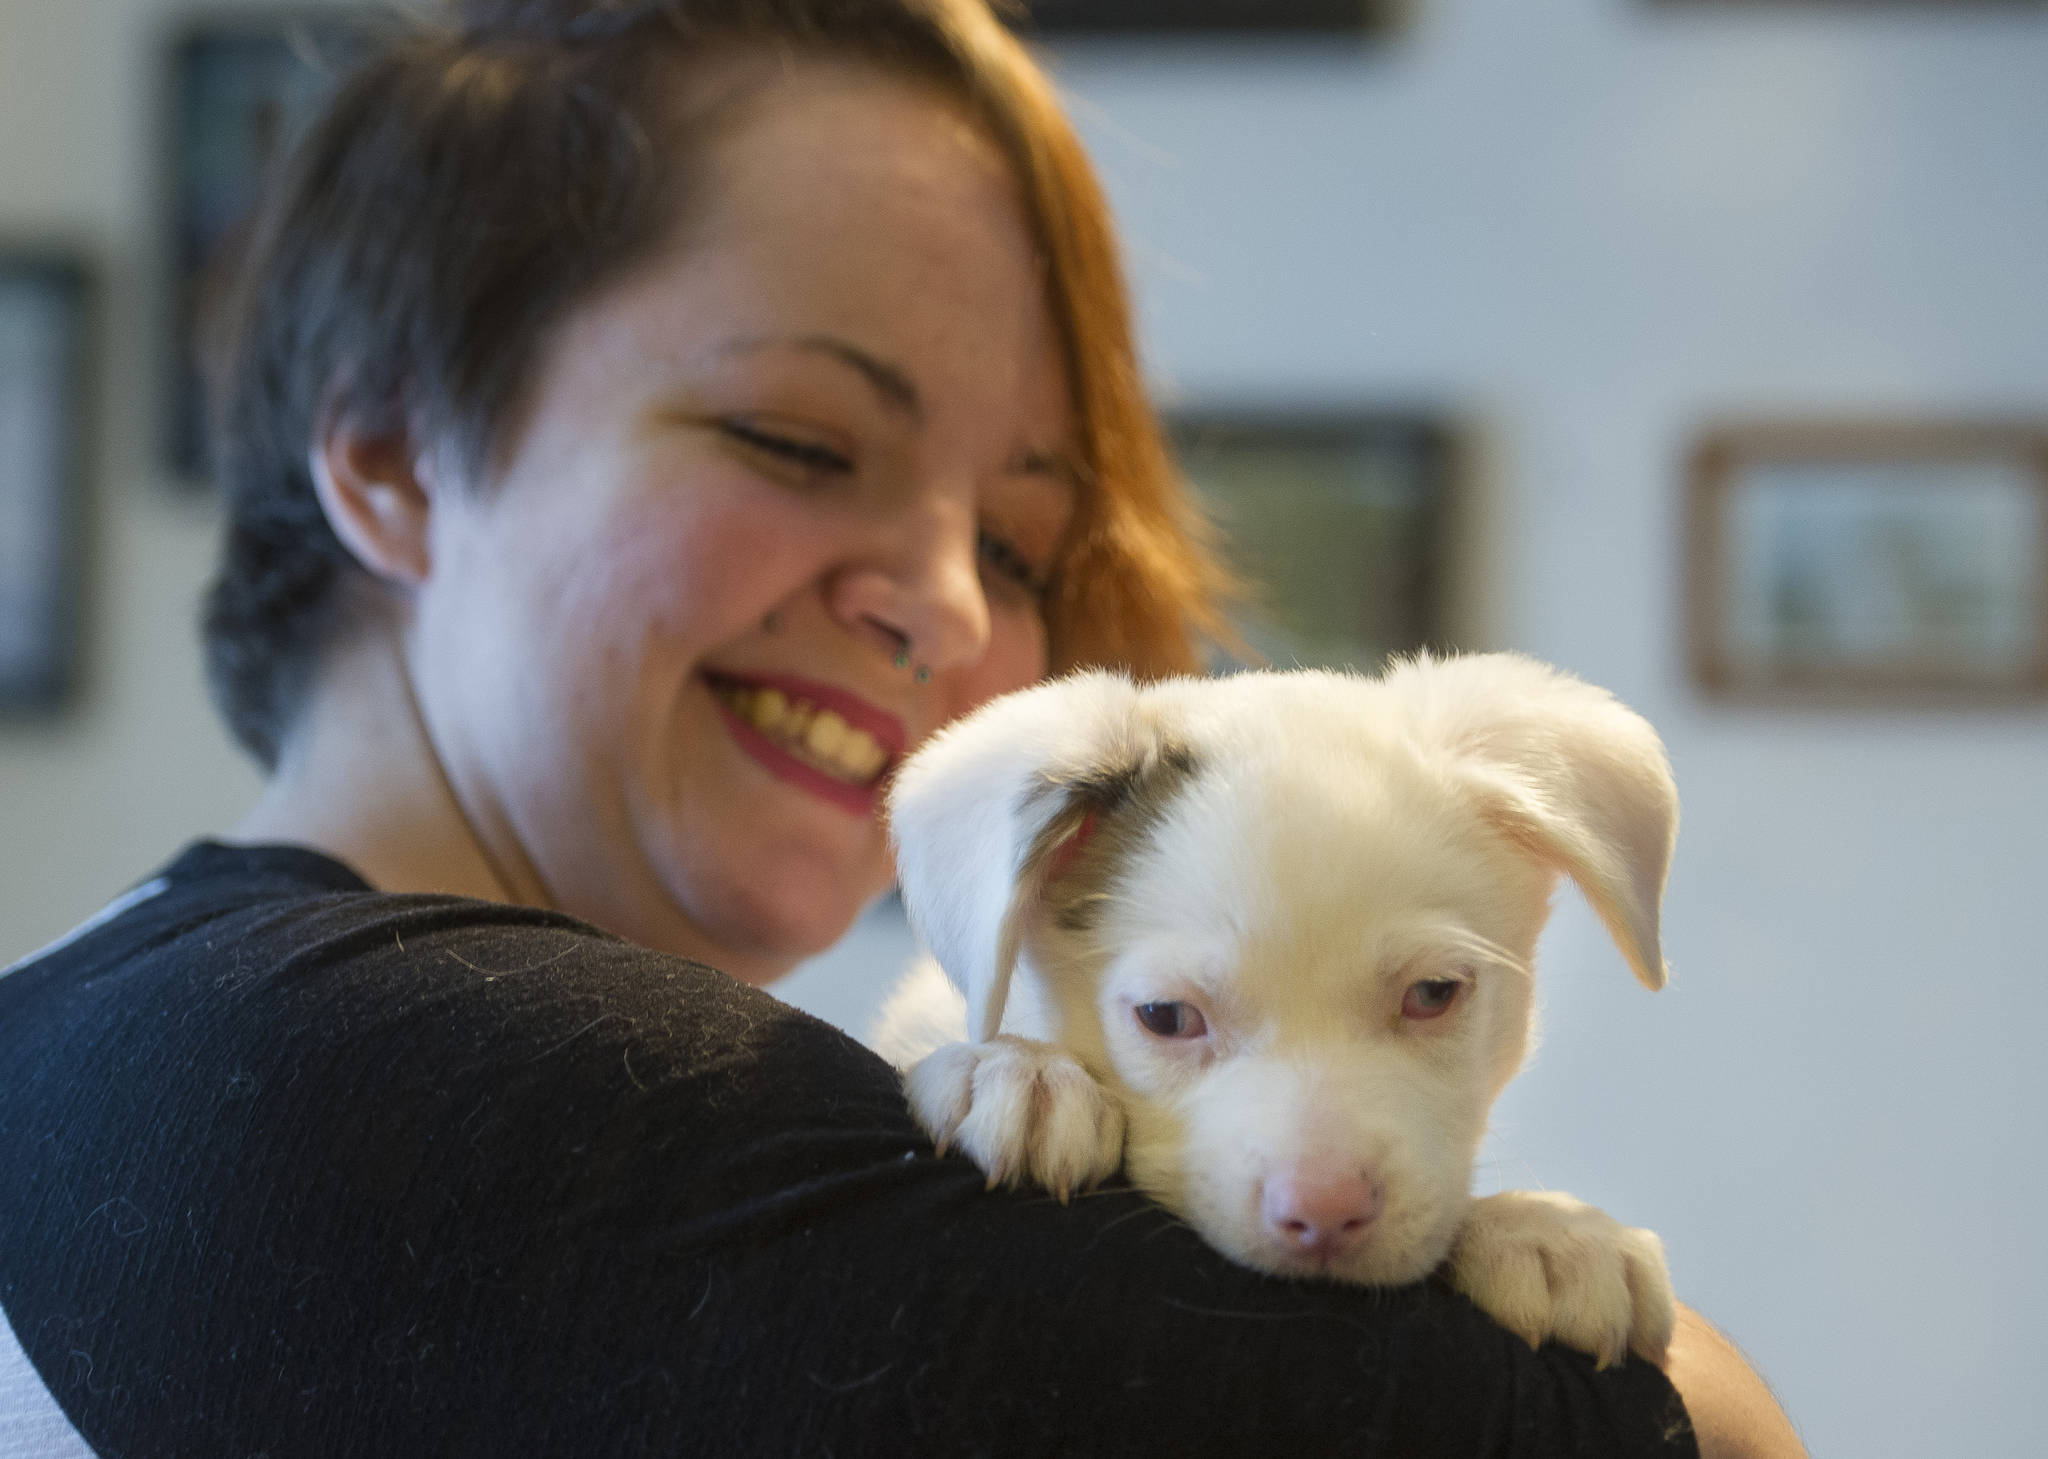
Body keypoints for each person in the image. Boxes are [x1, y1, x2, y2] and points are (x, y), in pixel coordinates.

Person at [0, 1, 1805, 1454]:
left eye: (1023, 538)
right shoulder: (371, 1067)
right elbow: (1679, 1440)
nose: (953, 612)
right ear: (392, 454)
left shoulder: (106, 1001)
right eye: (797, 440)